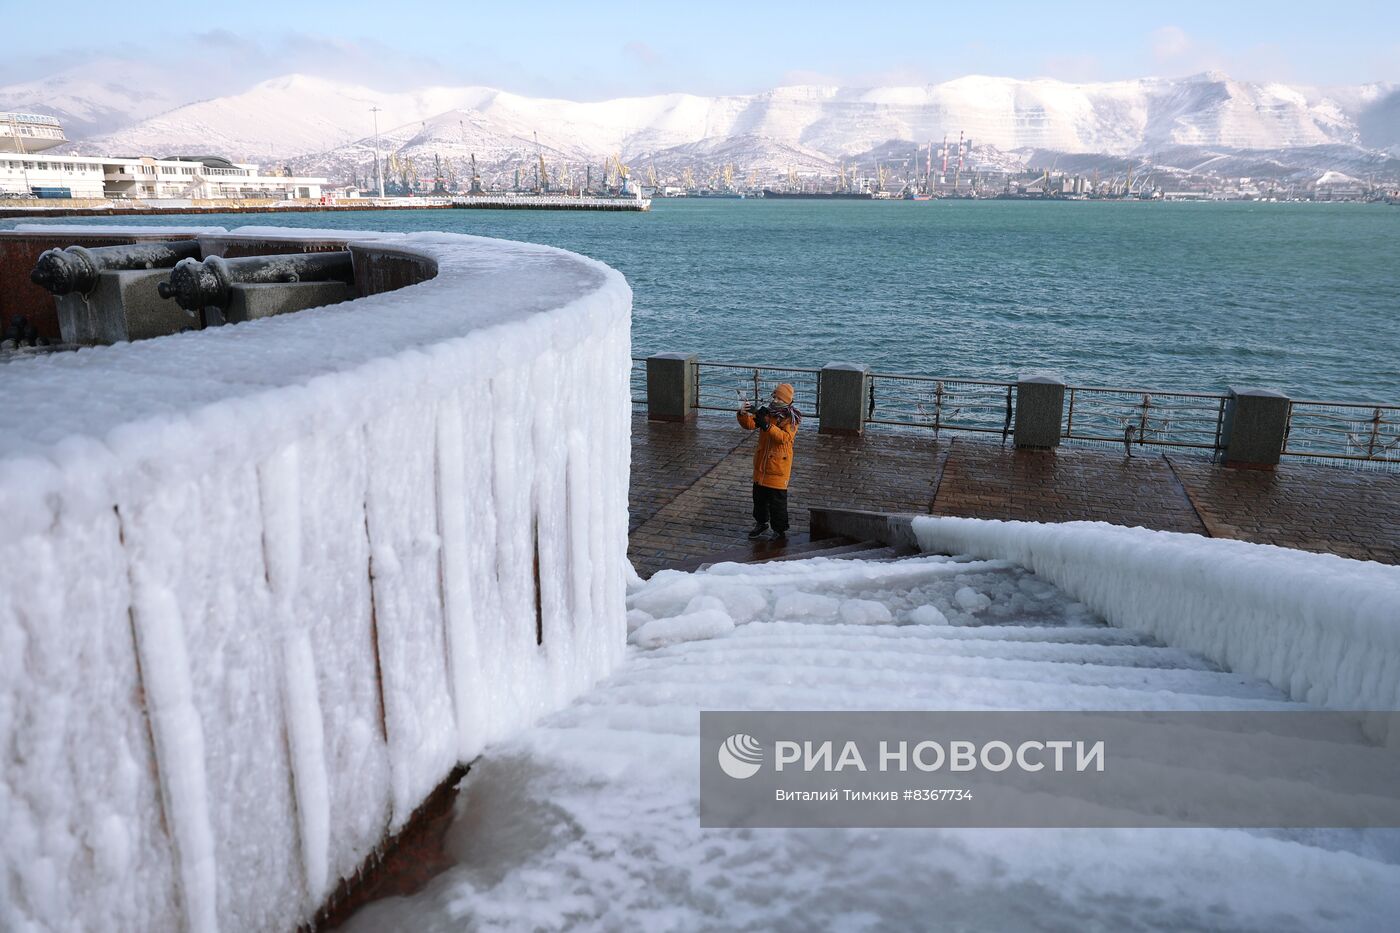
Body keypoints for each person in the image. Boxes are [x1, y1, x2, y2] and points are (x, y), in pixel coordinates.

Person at [737, 383, 802, 540]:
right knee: (759, 499)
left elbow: (784, 438)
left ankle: (779, 531)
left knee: (777, 503)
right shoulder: (767, 412)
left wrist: (767, 425)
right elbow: (749, 425)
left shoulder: (792, 418)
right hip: (762, 464)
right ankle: (761, 523)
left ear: (786, 400)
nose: (775, 400)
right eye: (774, 397)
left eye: (779, 398)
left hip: (778, 467)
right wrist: (743, 413)